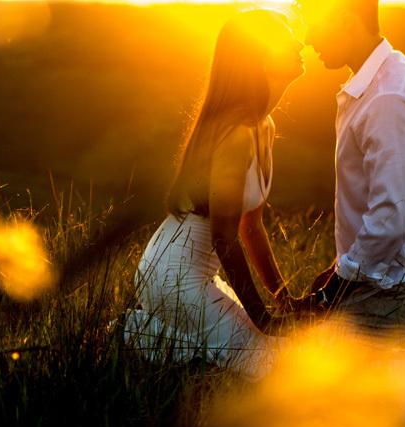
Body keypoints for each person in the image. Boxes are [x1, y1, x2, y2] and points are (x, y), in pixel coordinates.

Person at [126, 8, 311, 379]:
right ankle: (137, 334)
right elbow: (225, 238)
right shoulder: (236, 131)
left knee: (280, 353)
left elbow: (250, 227)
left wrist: (283, 300)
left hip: (199, 275)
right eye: (285, 37)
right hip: (172, 275)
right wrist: (262, 318)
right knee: (269, 366)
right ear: (258, 56)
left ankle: (155, 336)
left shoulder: (264, 126)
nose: (299, 42)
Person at [302, 0, 405, 338]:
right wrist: (338, 271)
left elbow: (389, 217)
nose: (307, 38)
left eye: (313, 24)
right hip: (395, 272)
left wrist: (337, 286)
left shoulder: (387, 97)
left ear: (346, 21)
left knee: (315, 352)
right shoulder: (383, 76)